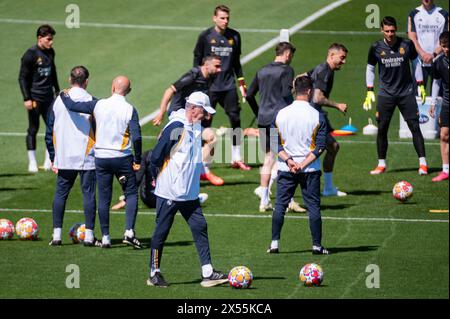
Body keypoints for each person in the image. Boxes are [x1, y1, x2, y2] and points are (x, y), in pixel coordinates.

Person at [147, 92, 228, 288]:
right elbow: (155, 156)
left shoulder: (196, 125)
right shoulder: (176, 127)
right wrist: (153, 178)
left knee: (200, 227)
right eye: (204, 112)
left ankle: (208, 273)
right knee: (162, 231)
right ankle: (154, 273)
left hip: (189, 193)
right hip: (170, 192)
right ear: (193, 109)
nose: (207, 116)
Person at [59, 76, 143, 249]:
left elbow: (73, 106)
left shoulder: (99, 104)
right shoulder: (130, 109)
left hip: (101, 158)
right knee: (131, 193)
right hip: (122, 158)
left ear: (112, 87)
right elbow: (137, 137)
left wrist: (63, 95)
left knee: (104, 197)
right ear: (128, 91)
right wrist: (138, 159)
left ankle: (105, 237)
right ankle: (129, 231)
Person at [267, 75, 329, 255]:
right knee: (313, 207)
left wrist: (288, 160)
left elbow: (272, 141)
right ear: (309, 91)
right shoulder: (317, 115)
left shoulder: (281, 113)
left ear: (295, 90)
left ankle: (274, 244)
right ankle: (316, 245)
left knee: (280, 205)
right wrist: (302, 164)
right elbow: (320, 147)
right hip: (310, 168)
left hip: (286, 167)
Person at [363, 16, 428, 175]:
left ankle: (423, 163)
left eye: (392, 31)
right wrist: (369, 90)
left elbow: (416, 63)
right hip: (386, 94)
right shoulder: (376, 47)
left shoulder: (406, 44)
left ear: (396, 29)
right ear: (381, 30)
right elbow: (370, 68)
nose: (390, 34)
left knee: (414, 127)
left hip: (406, 93)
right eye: (387, 31)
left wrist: (420, 85)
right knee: (382, 128)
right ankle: (381, 164)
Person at [246, 42, 305, 213]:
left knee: (268, 159)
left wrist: (259, 113)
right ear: (287, 54)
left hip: (264, 118)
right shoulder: (287, 70)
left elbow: (249, 95)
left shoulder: (261, 70)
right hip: (280, 119)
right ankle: (287, 201)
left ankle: (265, 201)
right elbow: (287, 95)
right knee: (286, 158)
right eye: (291, 56)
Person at [45, 66, 99, 247]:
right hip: (87, 155)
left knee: (61, 194)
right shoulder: (92, 101)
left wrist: (53, 156)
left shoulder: (57, 101)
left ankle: (57, 235)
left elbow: (48, 130)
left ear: (70, 79)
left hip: (64, 155)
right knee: (89, 195)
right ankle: (90, 236)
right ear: (87, 81)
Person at [193, 4, 251, 171]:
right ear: (214, 18)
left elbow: (236, 64)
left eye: (227, 18)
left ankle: (236, 157)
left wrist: (241, 83)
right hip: (209, 87)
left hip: (228, 86)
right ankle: (203, 162)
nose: (225, 21)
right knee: (204, 122)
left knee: (235, 119)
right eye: (222, 18)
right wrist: (198, 84)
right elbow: (197, 61)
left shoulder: (235, 36)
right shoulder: (205, 37)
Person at [152, 54, 224, 186]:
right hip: (179, 114)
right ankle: (158, 174)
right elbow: (169, 90)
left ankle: (202, 171)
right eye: (217, 66)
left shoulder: (210, 77)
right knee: (171, 141)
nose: (220, 69)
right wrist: (161, 112)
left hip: (193, 116)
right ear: (206, 65)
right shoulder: (193, 75)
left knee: (211, 138)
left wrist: (206, 112)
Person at [307, 43, 349, 197]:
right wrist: (337, 105)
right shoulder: (326, 71)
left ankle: (328, 188)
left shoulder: (319, 67)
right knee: (329, 147)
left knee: (331, 147)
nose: (344, 62)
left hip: (310, 115)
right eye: (342, 58)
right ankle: (268, 183)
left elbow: (302, 77)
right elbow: (318, 98)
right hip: (312, 117)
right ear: (332, 55)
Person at [19, 24, 60, 173]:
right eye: (49, 39)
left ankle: (49, 160)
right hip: (35, 98)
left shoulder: (50, 53)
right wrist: (27, 98)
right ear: (40, 38)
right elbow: (22, 78)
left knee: (52, 128)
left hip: (49, 98)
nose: (51, 42)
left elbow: (53, 71)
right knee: (33, 128)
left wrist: (57, 90)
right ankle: (32, 162)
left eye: (52, 39)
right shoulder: (30, 55)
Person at [111, 149, 209, 210]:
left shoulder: (148, 154)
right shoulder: (173, 156)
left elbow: (138, 178)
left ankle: (190, 199)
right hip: (166, 198)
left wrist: (127, 198)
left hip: (147, 198)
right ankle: (192, 200)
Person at [407, 0, 449, 92]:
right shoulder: (414, 13)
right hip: (419, 62)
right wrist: (422, 53)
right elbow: (412, 37)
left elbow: (447, 38)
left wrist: (433, 54)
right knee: (417, 97)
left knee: (438, 97)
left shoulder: (444, 14)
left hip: (439, 61)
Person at [430, 31, 449, 182]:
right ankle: (446, 170)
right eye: (444, 47)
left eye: (449, 46)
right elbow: (436, 82)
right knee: (443, 135)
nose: (447, 49)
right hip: (447, 103)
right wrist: (433, 101)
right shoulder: (439, 62)